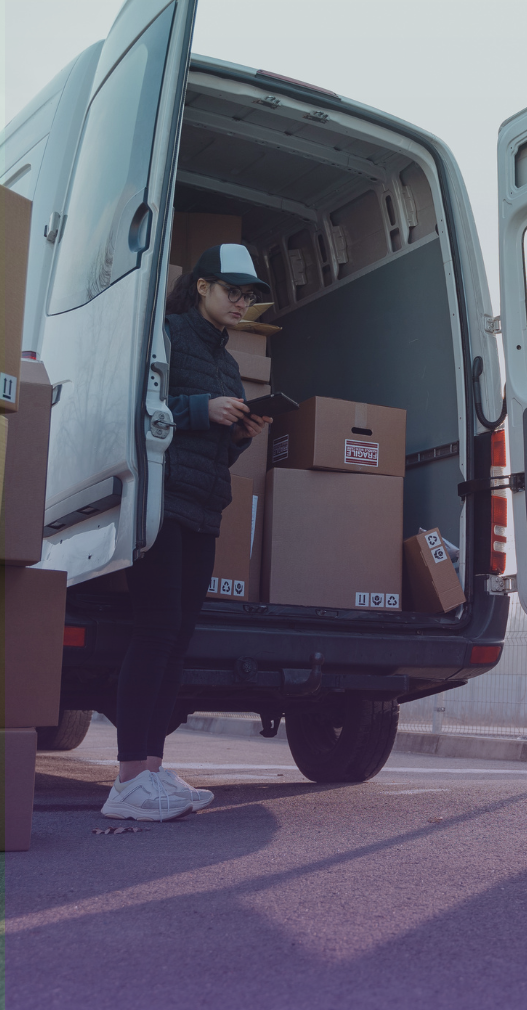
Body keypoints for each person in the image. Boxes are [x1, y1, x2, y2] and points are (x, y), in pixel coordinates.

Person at [101, 244, 273, 821]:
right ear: (202, 286)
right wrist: (203, 409)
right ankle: (126, 782)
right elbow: (133, 411)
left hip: (203, 509)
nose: (242, 302)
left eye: (249, 296)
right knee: (153, 632)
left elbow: (214, 455)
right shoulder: (167, 335)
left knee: (177, 638)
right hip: (159, 503)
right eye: (233, 291)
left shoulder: (228, 362)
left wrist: (244, 430)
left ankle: (150, 770)